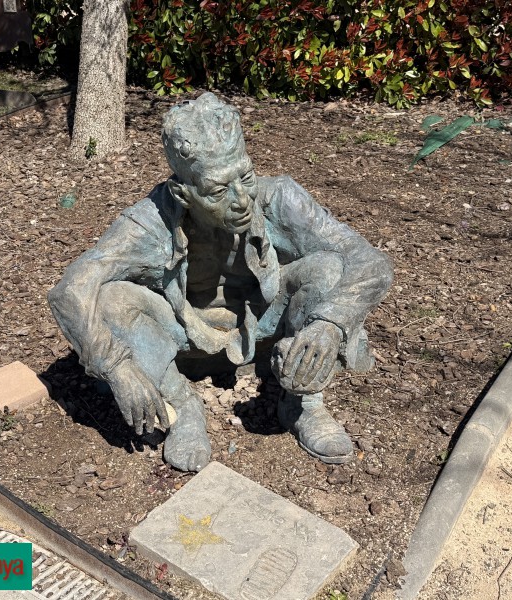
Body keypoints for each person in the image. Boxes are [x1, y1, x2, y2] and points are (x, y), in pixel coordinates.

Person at [49, 92, 393, 472]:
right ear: (184, 192)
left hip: (265, 322)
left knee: (328, 270)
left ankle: (301, 404)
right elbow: (71, 289)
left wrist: (330, 324)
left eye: (245, 177)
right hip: (184, 334)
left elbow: (367, 259)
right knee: (112, 298)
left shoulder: (277, 196)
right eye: (217, 190)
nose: (242, 199)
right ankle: (183, 408)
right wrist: (115, 366)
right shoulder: (151, 220)